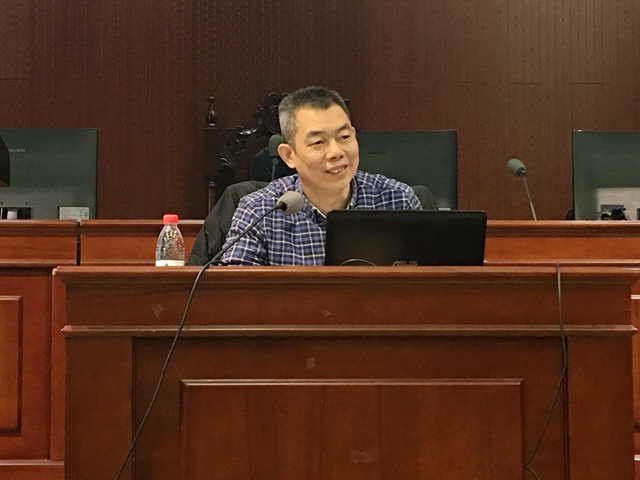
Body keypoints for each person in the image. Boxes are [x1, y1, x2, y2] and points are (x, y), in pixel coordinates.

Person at [219, 85, 422, 266]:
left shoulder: (398, 201)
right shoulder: (258, 211)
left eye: (344, 137)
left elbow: (430, 285)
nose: (336, 152)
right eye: (318, 142)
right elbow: (236, 291)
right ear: (289, 155)